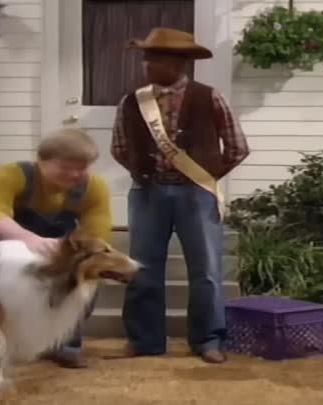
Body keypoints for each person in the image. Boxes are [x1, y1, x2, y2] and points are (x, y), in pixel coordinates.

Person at [110, 27, 250, 363]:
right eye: (147, 58)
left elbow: (237, 147)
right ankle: (144, 341)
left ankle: (208, 341)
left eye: (156, 58)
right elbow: (118, 147)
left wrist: (206, 176)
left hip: (196, 193)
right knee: (142, 268)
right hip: (147, 192)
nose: (148, 64)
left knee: (206, 270)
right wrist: (143, 171)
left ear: (179, 62)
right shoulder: (132, 101)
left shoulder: (210, 97)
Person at [0, 128, 113, 368]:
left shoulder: (94, 188)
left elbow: (95, 233)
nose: (75, 174)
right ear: (41, 160)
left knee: (82, 278)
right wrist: (26, 239)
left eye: (82, 168)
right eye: (65, 167)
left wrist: (83, 264)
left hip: (53, 244)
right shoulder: (9, 175)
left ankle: (63, 345)